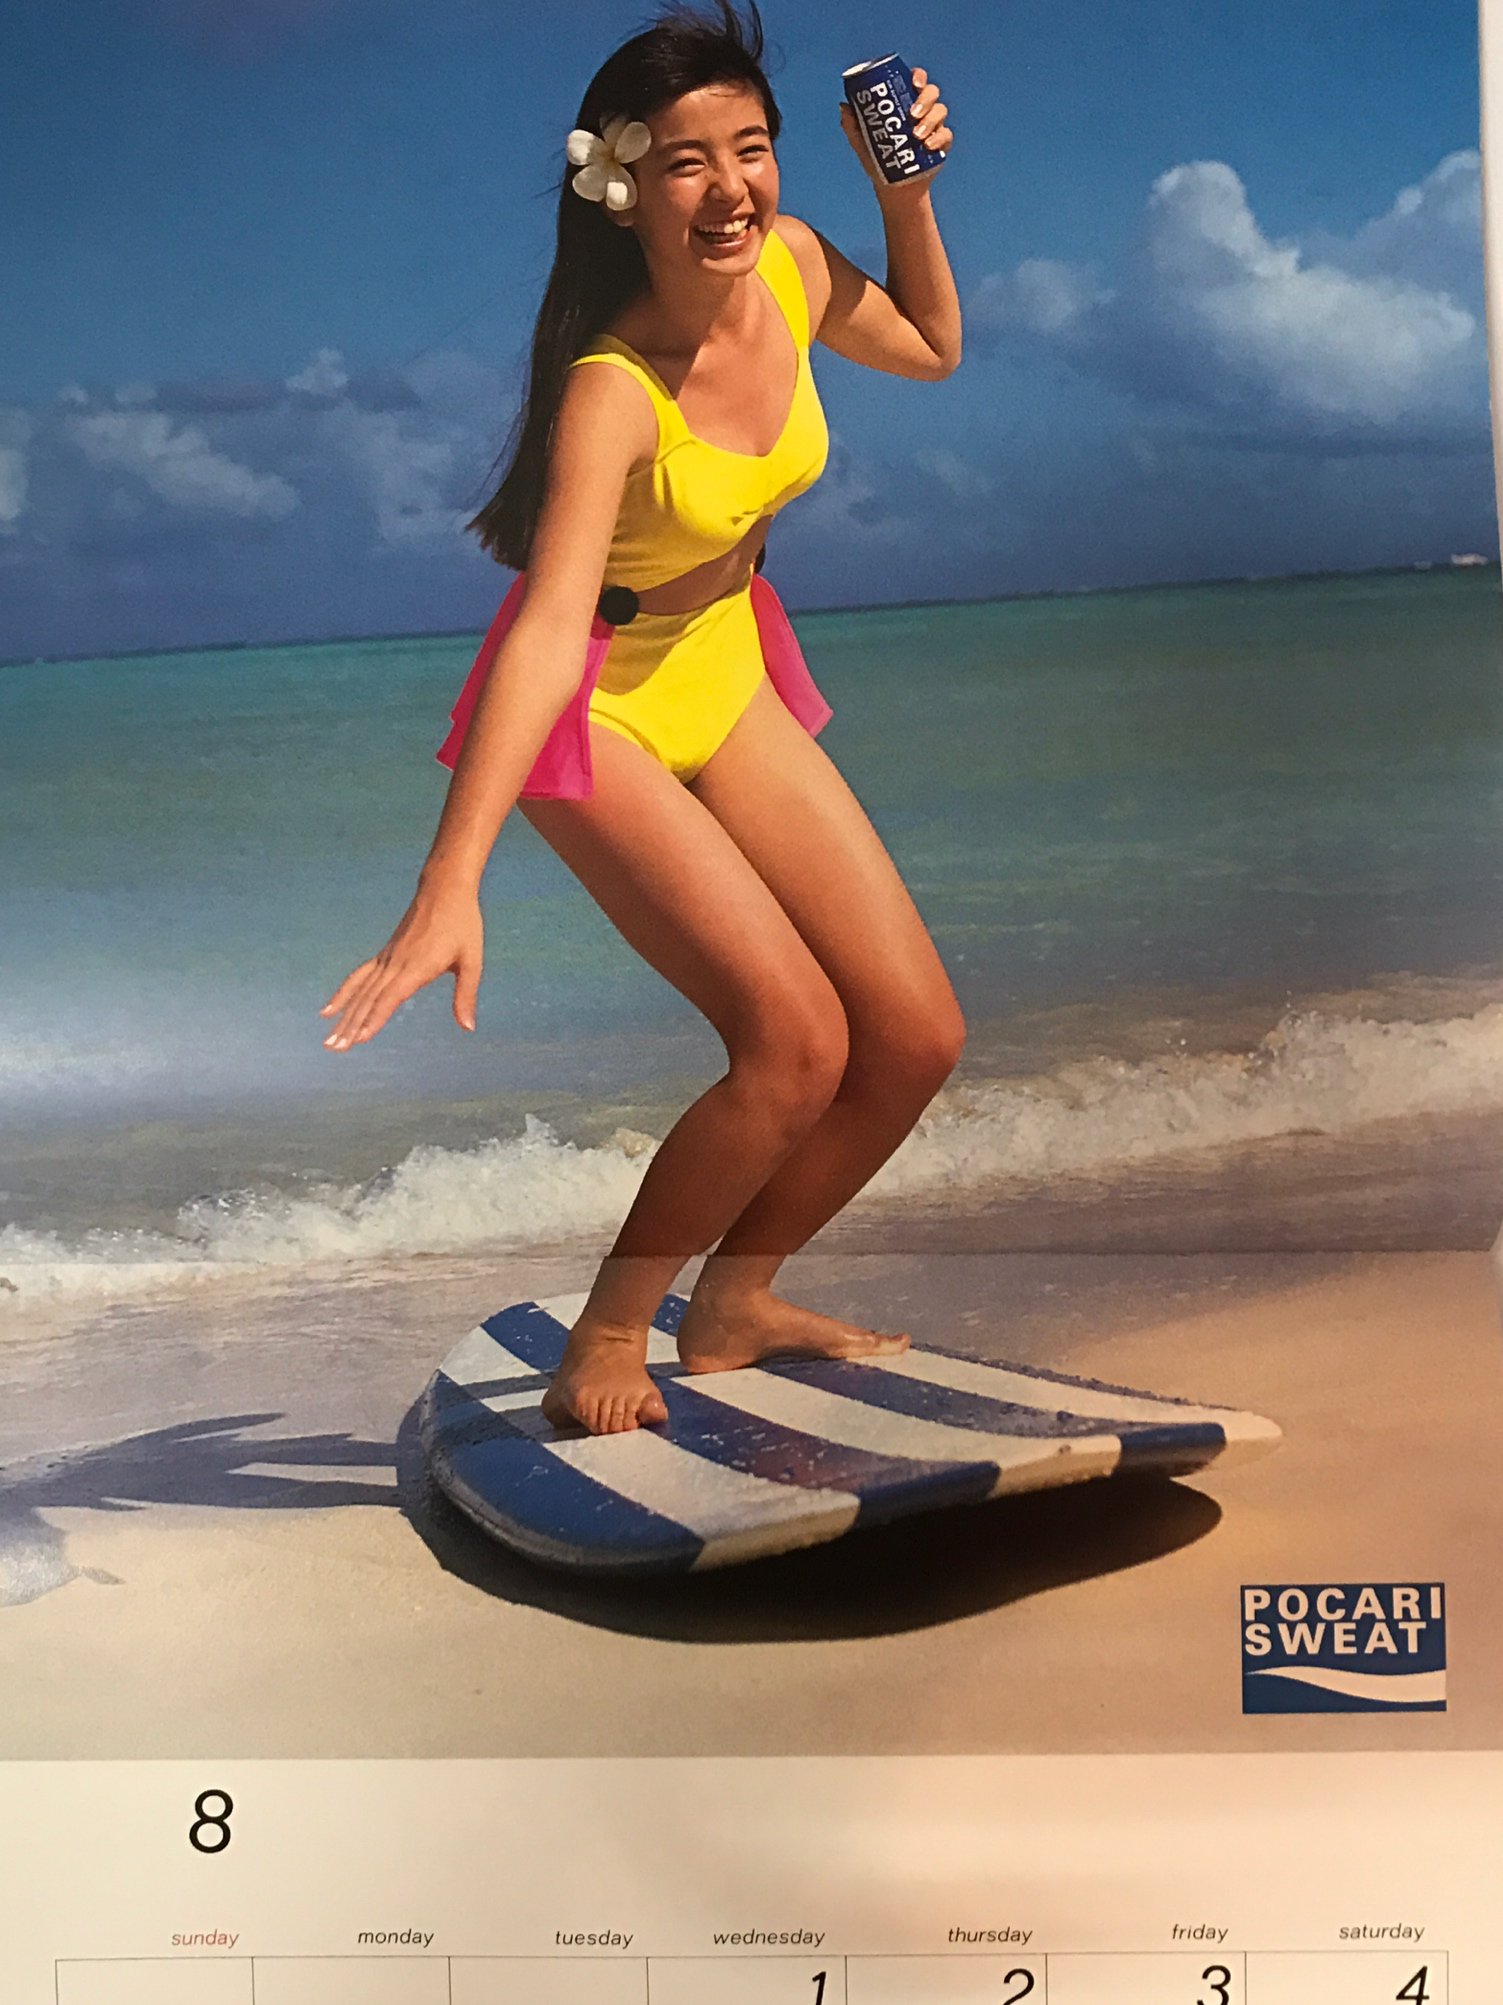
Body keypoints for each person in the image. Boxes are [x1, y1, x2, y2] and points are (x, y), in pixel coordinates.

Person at [321, 0, 964, 1436]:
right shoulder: (610, 389)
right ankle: (610, 1332)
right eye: (685, 161)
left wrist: (905, 195)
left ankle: (737, 1300)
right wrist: (450, 880)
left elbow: (931, 345)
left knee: (916, 1036)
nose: (730, 188)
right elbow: (546, 629)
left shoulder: (795, 266)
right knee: (793, 1041)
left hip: (724, 661)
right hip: (595, 702)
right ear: (620, 185)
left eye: (752, 148)